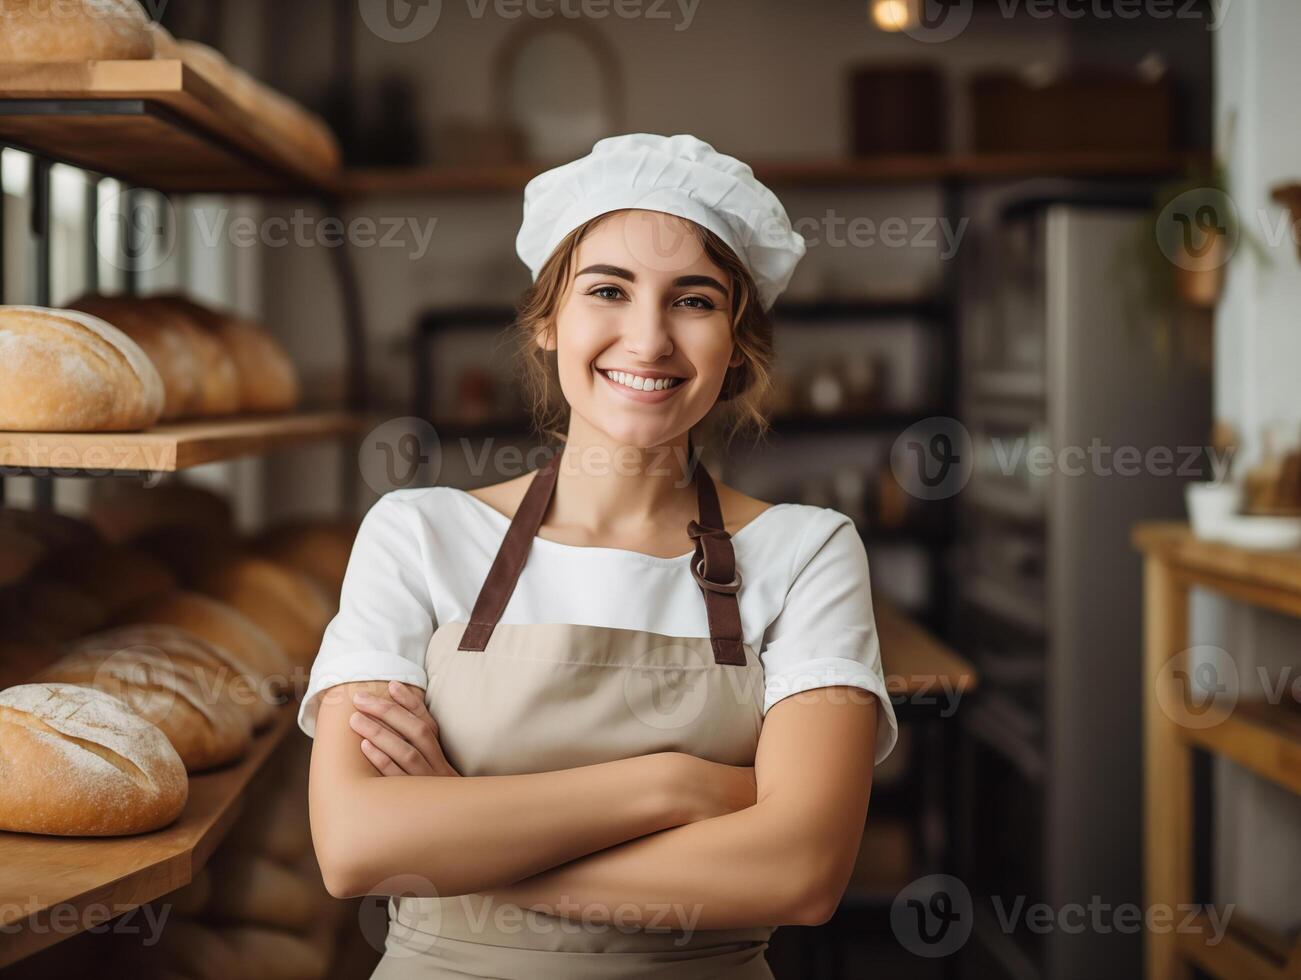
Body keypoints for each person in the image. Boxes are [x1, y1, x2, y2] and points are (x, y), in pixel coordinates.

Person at [301, 132, 899, 979]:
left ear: (736, 343)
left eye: (692, 300)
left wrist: (467, 843)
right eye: (607, 290)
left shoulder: (805, 551)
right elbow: (356, 847)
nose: (648, 340)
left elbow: (799, 872)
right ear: (548, 320)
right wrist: (674, 787)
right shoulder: (417, 534)